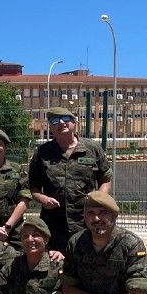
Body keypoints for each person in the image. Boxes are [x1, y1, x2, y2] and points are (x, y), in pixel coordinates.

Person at [28, 108, 111, 253]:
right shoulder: (42, 152)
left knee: (87, 262)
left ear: (74, 122)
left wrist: (98, 200)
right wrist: (43, 199)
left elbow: (106, 178)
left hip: (87, 220)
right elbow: (34, 187)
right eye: (55, 121)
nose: (61, 123)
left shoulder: (92, 149)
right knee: (56, 265)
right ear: (51, 127)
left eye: (65, 118)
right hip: (54, 222)